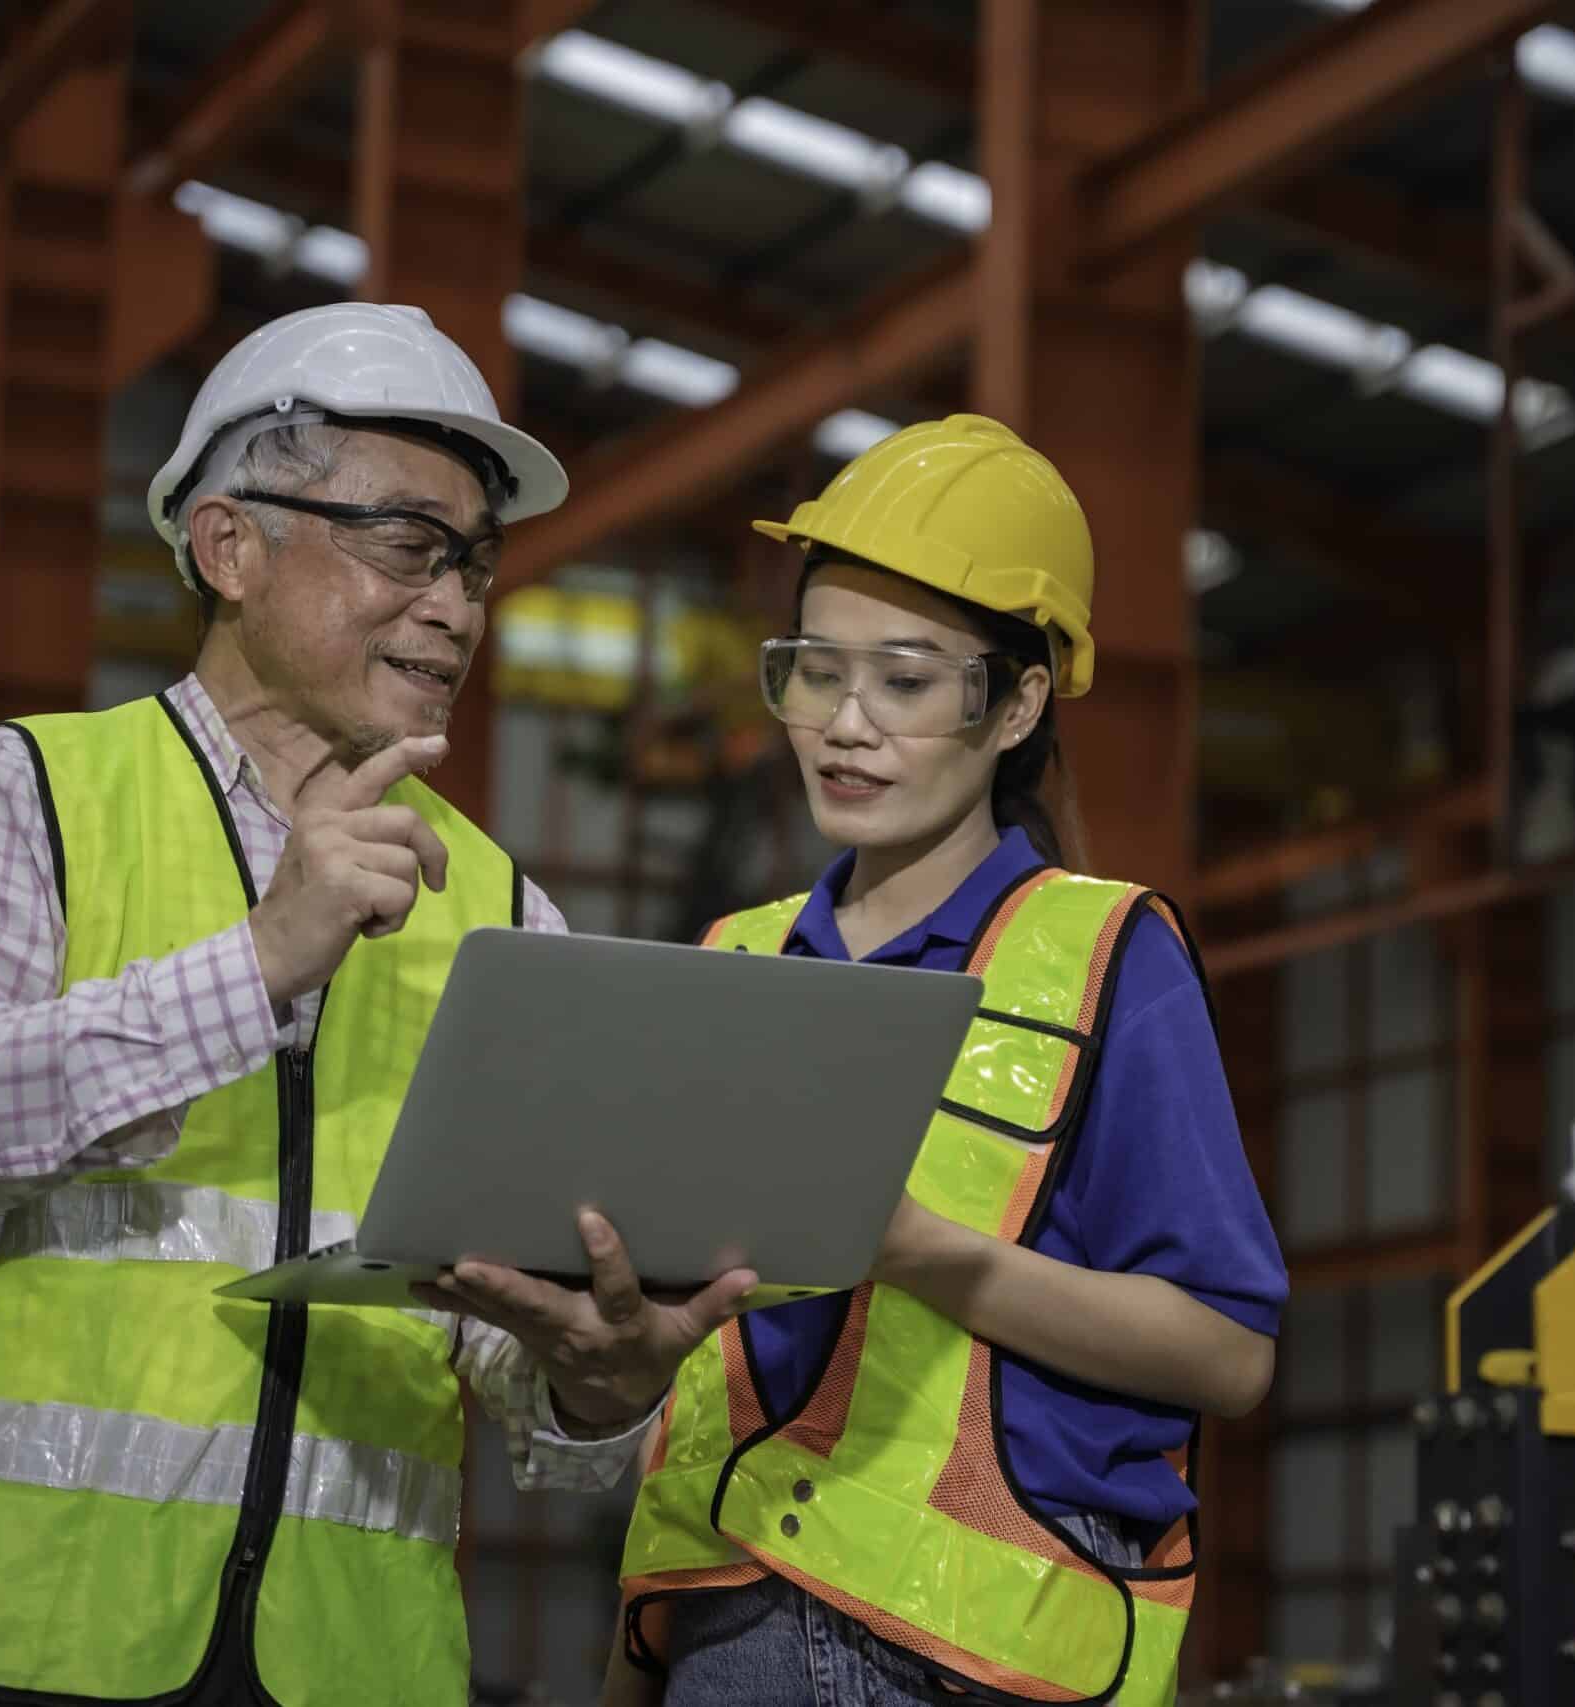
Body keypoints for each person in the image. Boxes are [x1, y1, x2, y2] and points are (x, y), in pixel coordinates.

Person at [0, 302, 751, 1707]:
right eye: (405, 546)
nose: (455, 606)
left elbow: (505, 1363)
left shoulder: (501, 913)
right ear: (228, 544)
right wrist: (257, 963)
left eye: (476, 567)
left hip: (354, 1669)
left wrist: (598, 1378)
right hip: (6, 1650)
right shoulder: (21, 797)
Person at [605, 415, 1287, 1707]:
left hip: (979, 1658)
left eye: (906, 683)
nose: (845, 726)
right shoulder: (736, 962)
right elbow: (696, 1388)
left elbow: (1229, 1353)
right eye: (814, 672)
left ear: (1018, 702)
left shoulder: (1107, 960)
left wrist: (930, 1253)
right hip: (719, 1626)